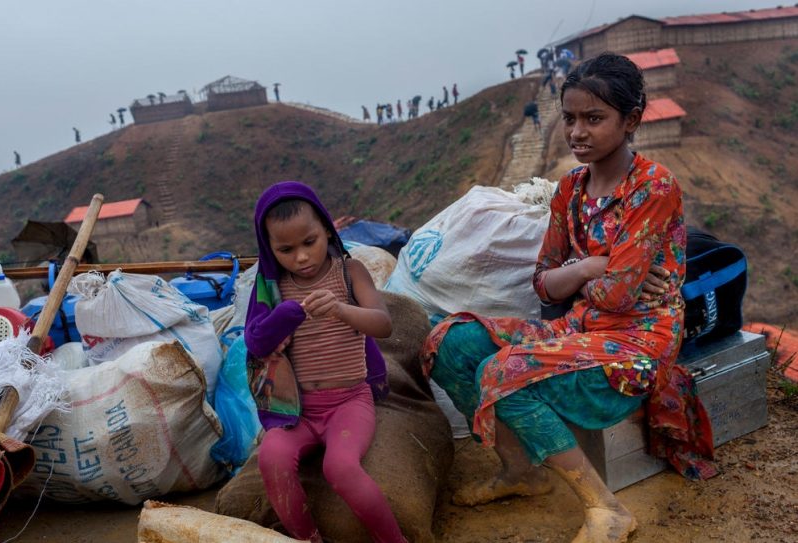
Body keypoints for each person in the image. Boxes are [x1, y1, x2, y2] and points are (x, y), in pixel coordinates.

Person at [423, 53, 716, 543]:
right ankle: (522, 472)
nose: (578, 131)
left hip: (639, 342)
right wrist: (592, 267)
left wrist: (581, 277)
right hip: (582, 327)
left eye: (594, 119)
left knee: (504, 371)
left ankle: (606, 509)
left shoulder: (653, 187)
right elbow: (542, 280)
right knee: (449, 340)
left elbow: (621, 299)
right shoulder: (570, 190)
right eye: (571, 118)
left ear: (631, 121)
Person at [245, 181, 405, 543]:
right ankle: (310, 538)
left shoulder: (351, 274)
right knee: (271, 457)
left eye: (309, 242)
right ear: (269, 249)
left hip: (349, 402)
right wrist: (284, 315)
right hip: (296, 411)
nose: (301, 257)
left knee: (340, 468)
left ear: (327, 231)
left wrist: (340, 309)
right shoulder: (271, 288)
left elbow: (383, 324)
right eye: (285, 249)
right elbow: (255, 341)